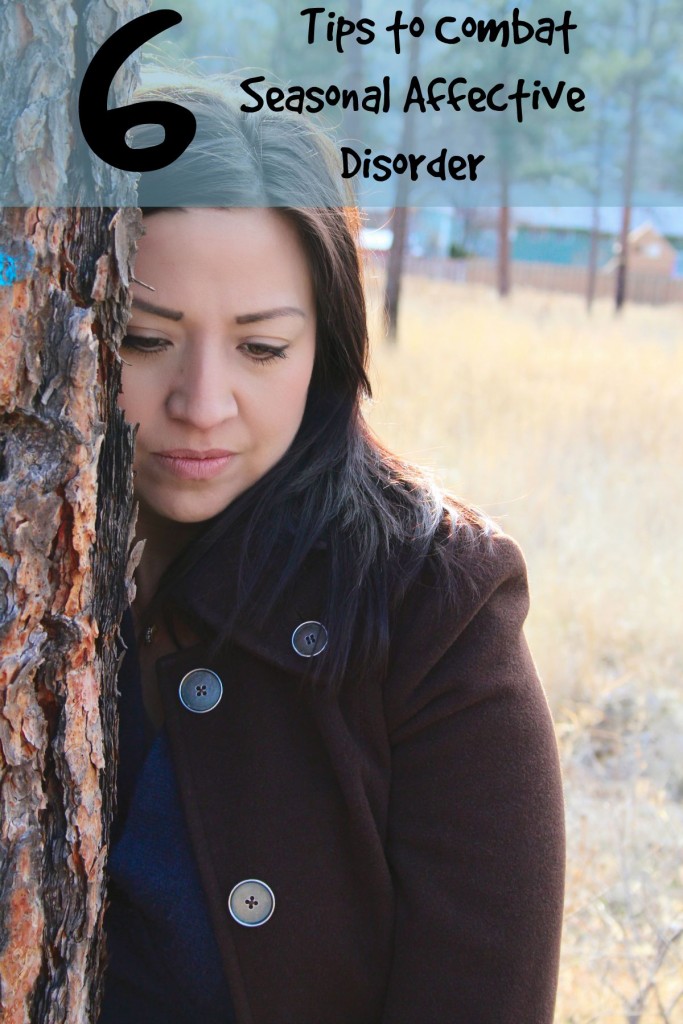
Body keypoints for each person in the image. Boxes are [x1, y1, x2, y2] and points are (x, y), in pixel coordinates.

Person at [99, 77, 565, 1024]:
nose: (201, 402)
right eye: (145, 339)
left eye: (261, 349)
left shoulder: (433, 603)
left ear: (327, 350)